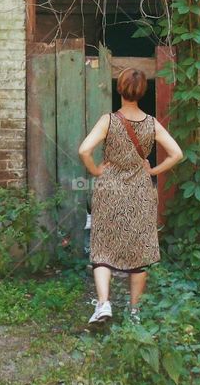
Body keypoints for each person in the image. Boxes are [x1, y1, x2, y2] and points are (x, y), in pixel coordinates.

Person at [77, 67, 183, 323]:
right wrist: (153, 170)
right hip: (140, 192)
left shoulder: (108, 121)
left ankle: (103, 305)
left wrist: (95, 170)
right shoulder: (151, 123)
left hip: (109, 190)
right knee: (139, 251)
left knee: (102, 248)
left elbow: (84, 150)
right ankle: (134, 312)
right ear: (143, 91)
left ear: (119, 88)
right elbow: (177, 154)